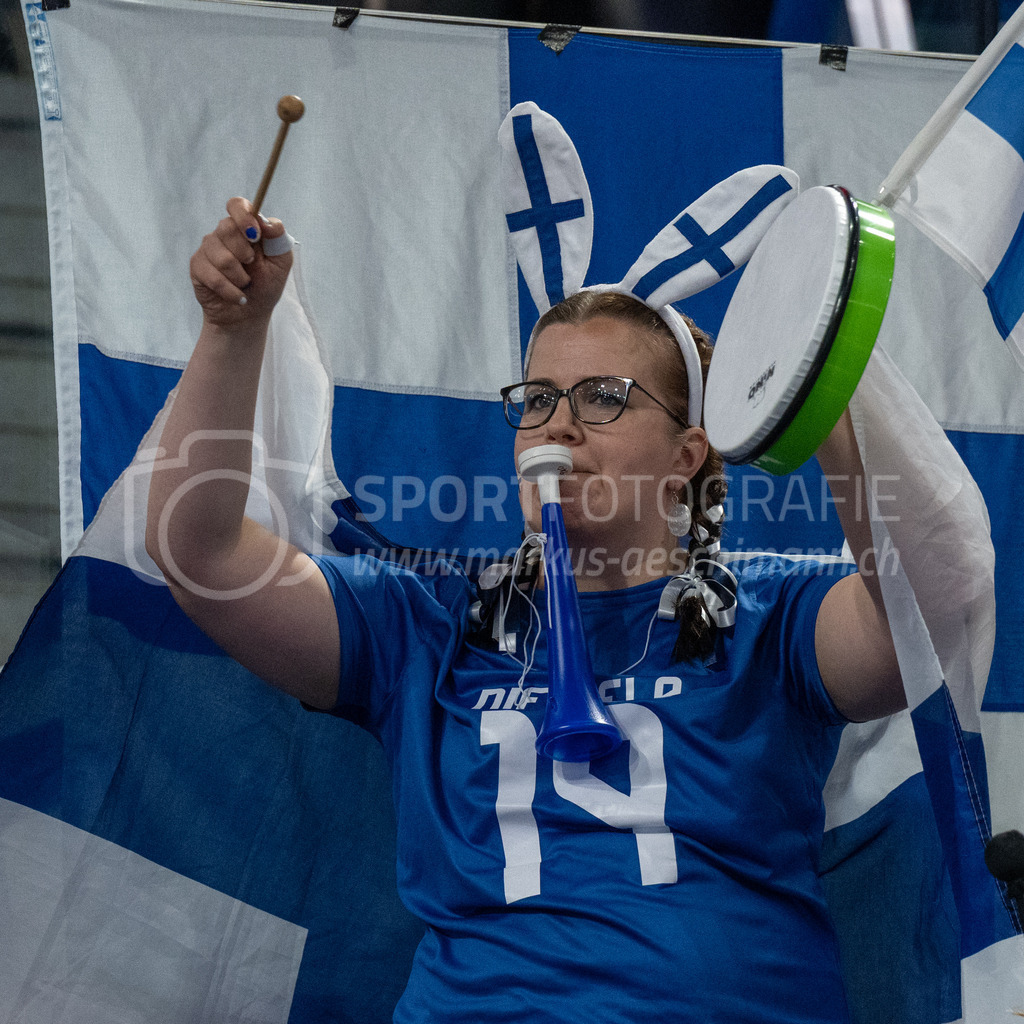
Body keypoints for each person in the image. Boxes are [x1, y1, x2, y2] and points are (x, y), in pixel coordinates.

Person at [147, 196, 906, 1023]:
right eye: (538, 398)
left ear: (687, 455)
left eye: (604, 398)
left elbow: (913, 626)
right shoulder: (426, 624)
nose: (560, 425)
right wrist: (234, 330)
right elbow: (203, 555)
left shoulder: (769, 614)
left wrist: (827, 384)